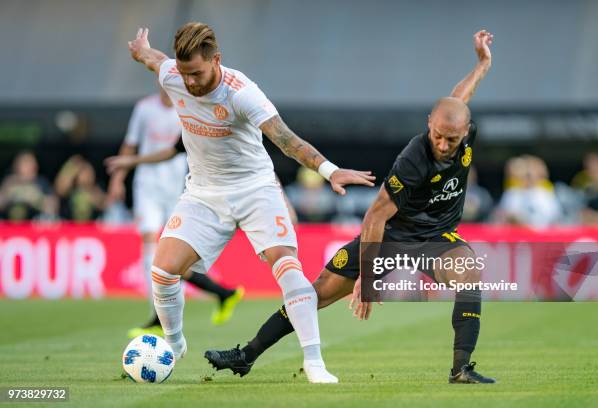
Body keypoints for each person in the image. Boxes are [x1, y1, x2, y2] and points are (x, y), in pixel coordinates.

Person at [205, 30, 496, 384]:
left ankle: (460, 368)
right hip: (388, 236)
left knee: (469, 273)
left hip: (434, 238)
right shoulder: (414, 160)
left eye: (451, 139)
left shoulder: (458, 124)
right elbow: (376, 216)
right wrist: (369, 280)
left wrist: (482, 64)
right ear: (429, 126)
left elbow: (457, 98)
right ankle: (247, 355)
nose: (443, 144)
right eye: (437, 135)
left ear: (465, 133)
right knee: (315, 294)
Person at [126, 22, 375, 383]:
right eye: (184, 73)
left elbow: (286, 140)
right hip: (203, 193)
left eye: (196, 73)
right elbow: (155, 60)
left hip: (255, 189)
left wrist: (329, 169)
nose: (190, 83)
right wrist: (141, 50)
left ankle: (314, 363)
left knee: (288, 268)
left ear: (217, 60)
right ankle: (173, 344)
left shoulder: (241, 93)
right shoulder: (173, 75)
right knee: (163, 272)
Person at [106, 88, 243, 337]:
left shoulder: (188, 107)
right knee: (152, 250)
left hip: (181, 188)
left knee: (172, 257)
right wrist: (118, 178)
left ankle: (221, 294)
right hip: (147, 186)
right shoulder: (145, 108)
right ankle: (159, 315)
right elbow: (130, 144)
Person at [0, 151, 57, 221]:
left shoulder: (41, 182)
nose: (30, 166)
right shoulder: (9, 182)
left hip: (34, 224)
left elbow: (52, 206)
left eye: (31, 163)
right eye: (25, 163)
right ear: (17, 166)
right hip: (9, 224)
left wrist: (37, 199)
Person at [55, 155, 108, 221]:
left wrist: (91, 193)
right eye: (81, 172)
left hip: (91, 225)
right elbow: (60, 190)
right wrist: (70, 170)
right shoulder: (70, 188)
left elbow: (104, 204)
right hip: (69, 224)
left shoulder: (96, 188)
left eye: (87, 172)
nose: (85, 175)